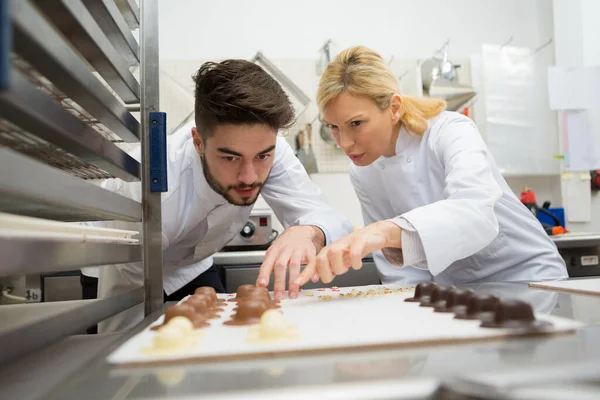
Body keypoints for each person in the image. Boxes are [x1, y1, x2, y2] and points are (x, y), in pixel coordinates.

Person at [92, 59, 353, 332]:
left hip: (190, 266)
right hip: (117, 263)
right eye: (230, 157)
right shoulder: (153, 189)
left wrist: (309, 231)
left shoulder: (271, 148)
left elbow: (329, 218)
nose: (249, 177)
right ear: (198, 142)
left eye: (263, 156)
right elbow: (120, 326)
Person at [297, 46, 567, 287]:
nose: (344, 142)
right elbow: (401, 271)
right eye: (333, 127)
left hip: (528, 278)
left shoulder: (450, 131)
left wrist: (381, 231)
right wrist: (404, 305)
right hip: (459, 291)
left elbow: (476, 213)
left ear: (393, 108)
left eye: (356, 123)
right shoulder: (362, 170)